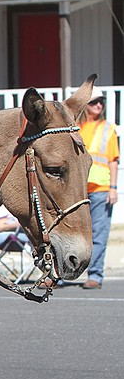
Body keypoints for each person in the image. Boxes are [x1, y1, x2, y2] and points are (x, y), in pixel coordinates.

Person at [78, 87, 119, 289]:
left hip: (101, 188)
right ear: (86, 105)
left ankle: (95, 275)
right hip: (77, 189)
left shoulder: (107, 129)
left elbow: (113, 161)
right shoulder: (76, 127)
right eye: (95, 102)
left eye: (101, 102)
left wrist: (113, 188)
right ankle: (57, 275)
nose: (99, 105)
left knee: (98, 234)